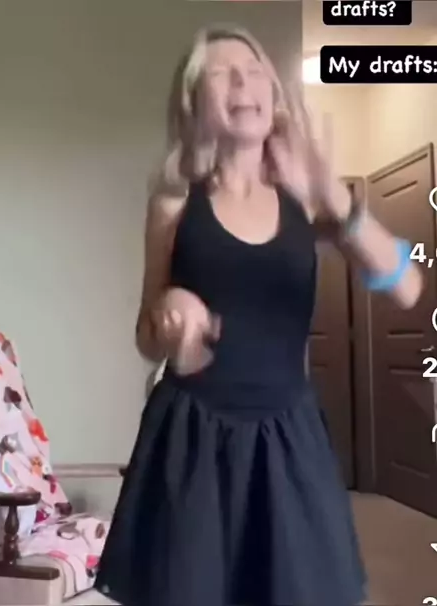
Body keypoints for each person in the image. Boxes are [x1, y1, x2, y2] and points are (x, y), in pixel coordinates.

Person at [95, 25, 422, 606]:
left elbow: (407, 287)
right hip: (192, 438)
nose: (243, 82)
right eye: (222, 73)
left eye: (253, 71)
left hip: (288, 435)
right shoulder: (174, 200)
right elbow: (146, 334)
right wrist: (168, 316)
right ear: (194, 101)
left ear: (273, 94)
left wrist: (331, 190)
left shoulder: (306, 195)